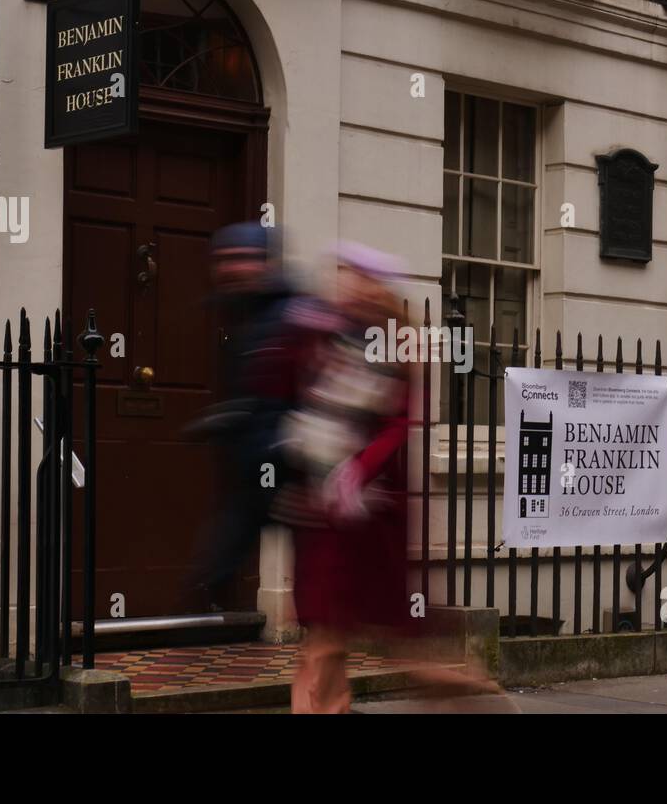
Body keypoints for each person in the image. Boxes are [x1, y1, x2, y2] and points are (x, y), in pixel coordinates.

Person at [277, 242, 511, 713]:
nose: (344, 283)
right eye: (341, 274)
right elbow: (302, 405)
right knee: (324, 640)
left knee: (395, 645)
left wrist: (355, 472)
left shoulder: (393, 347)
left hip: (370, 519)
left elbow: (398, 426)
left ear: (376, 286)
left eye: (356, 275)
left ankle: (472, 693)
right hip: (321, 516)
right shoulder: (325, 335)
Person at [185, 222, 335, 607]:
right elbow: (259, 395)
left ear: (266, 263)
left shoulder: (292, 315)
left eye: (242, 259)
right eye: (224, 259)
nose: (231, 269)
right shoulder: (244, 314)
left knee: (322, 597)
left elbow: (311, 394)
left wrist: (305, 474)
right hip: (259, 473)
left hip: (291, 473)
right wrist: (227, 418)